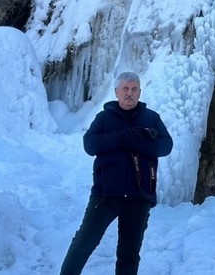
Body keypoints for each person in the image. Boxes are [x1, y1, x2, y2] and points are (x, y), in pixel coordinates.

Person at [60, 71, 173, 275]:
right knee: (83, 243)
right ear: (116, 92)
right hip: (105, 195)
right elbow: (90, 145)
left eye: (134, 89)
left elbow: (166, 146)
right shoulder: (104, 118)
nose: (129, 93)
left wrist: (138, 142)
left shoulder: (151, 118)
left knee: (128, 255)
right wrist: (121, 138)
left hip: (139, 196)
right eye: (125, 89)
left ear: (139, 92)